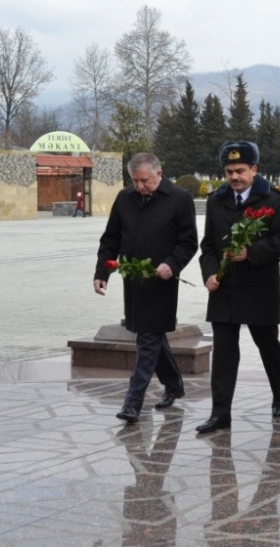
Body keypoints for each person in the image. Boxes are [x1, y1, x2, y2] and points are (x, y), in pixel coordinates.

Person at [196, 141, 280, 433]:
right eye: (229, 171)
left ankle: (279, 393)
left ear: (255, 169)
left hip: (259, 287)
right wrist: (210, 273)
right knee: (225, 351)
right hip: (224, 289)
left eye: (240, 170)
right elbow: (209, 246)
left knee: (267, 344)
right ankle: (220, 413)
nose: (234, 177)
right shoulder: (217, 200)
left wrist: (251, 253)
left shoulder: (275, 199)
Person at [94, 152, 198, 423]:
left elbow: (188, 242)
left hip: (162, 281)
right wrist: (102, 271)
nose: (140, 186)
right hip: (134, 280)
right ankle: (174, 384)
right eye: (135, 181)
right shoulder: (125, 198)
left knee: (148, 339)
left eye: (145, 181)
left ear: (159, 173)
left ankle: (133, 402)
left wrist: (172, 265)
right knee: (151, 334)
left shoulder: (180, 199)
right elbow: (111, 239)